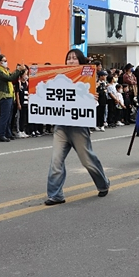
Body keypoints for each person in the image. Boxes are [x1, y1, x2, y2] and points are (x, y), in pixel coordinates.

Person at [45, 49, 110, 206]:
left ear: (81, 61)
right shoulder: (58, 77)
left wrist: (91, 98)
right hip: (61, 126)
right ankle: (55, 195)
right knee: (56, 161)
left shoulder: (88, 78)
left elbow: (94, 103)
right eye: (69, 58)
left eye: (74, 58)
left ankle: (103, 184)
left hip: (79, 127)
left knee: (87, 160)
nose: (71, 61)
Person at [0, 54, 25, 142]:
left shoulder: (5, 70)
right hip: (4, 96)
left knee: (9, 117)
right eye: (4, 60)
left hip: (10, 95)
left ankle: (8, 133)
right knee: (4, 116)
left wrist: (21, 71)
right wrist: (18, 70)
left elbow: (13, 77)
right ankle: (1, 134)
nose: (6, 62)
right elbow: (10, 78)